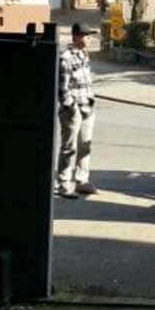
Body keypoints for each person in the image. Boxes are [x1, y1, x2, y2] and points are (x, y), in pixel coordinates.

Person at [56, 22, 99, 198]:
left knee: (85, 145)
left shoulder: (83, 54)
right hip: (73, 110)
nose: (89, 38)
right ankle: (64, 184)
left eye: (89, 35)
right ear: (75, 37)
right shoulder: (66, 57)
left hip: (88, 105)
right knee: (69, 147)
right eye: (85, 35)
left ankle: (82, 180)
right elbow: (63, 89)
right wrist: (71, 108)